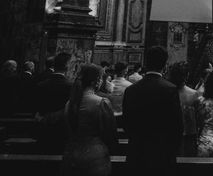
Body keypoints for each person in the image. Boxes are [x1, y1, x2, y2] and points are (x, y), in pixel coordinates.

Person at [122, 46, 183, 176]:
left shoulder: (131, 90)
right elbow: (177, 125)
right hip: (162, 152)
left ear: (146, 63)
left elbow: (126, 123)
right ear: (165, 65)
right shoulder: (170, 89)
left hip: (137, 150)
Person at [62, 64, 117, 176]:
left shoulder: (70, 103)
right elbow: (110, 133)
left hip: (71, 153)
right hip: (95, 155)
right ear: (95, 81)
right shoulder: (101, 102)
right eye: (101, 78)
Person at [36, 52, 73, 153]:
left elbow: (36, 109)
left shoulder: (41, 85)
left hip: (44, 128)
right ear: (67, 66)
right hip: (63, 129)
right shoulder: (71, 86)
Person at [167, 61, 200, 156]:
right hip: (188, 135)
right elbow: (197, 118)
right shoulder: (194, 94)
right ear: (187, 75)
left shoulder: (165, 91)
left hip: (169, 135)